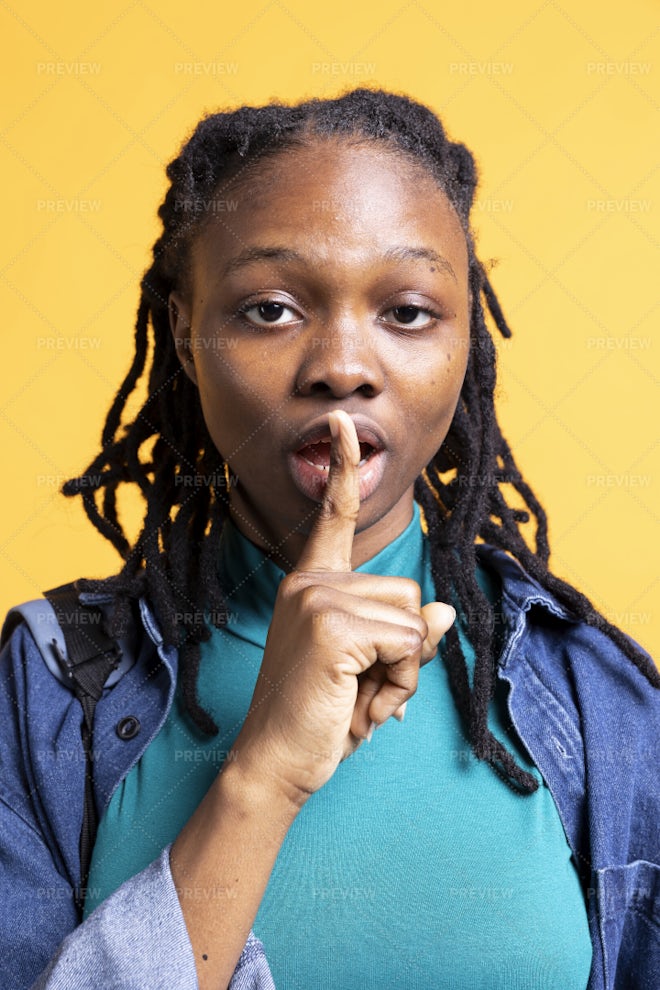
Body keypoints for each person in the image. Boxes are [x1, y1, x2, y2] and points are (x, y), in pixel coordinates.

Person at [0, 88, 657, 990]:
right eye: (269, 308)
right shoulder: (43, 690)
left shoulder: (600, 698)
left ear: (470, 342)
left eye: (409, 312)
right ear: (188, 342)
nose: (343, 367)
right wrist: (261, 775)